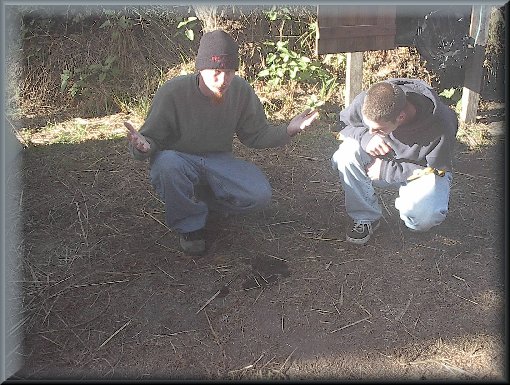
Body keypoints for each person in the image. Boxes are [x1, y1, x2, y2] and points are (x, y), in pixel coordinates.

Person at [126, 29, 318, 255]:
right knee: (166, 165)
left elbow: (255, 134)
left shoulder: (240, 91)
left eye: (229, 72)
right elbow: (149, 139)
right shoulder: (173, 92)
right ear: (200, 68)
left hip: (218, 160)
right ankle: (190, 227)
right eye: (216, 71)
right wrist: (143, 147)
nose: (223, 79)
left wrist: (289, 129)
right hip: (179, 160)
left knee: (259, 195)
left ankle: (204, 203)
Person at [331, 78, 458, 245]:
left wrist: (387, 170)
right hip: (381, 162)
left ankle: (411, 206)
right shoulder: (368, 101)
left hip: (420, 170)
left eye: (378, 129)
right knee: (346, 154)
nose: (372, 132)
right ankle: (366, 216)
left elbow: (435, 168)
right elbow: (342, 125)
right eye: (369, 127)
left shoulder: (442, 123)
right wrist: (366, 138)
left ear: (401, 117)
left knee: (422, 220)